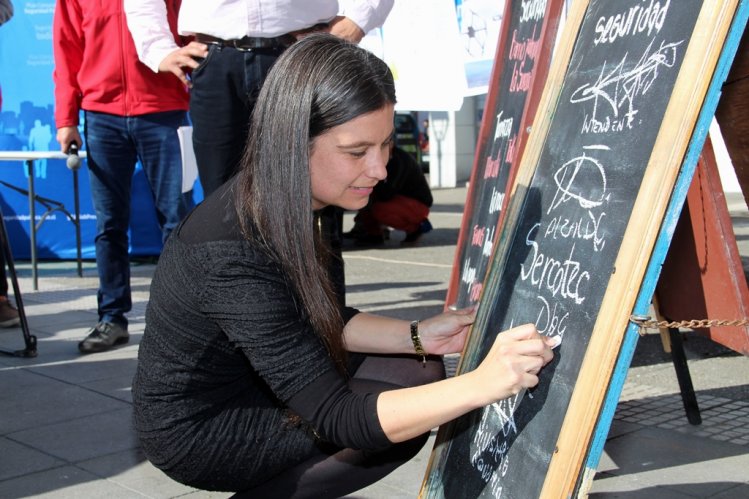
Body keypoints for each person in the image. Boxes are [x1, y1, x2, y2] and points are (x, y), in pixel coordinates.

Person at [133, 34, 556, 497]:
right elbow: (341, 418)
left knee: (417, 370)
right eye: (357, 152)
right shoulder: (231, 247)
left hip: (254, 380)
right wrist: (484, 383)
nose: (379, 169)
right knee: (402, 416)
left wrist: (416, 334)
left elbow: (314, 320)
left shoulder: (302, 202)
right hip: (202, 430)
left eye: (386, 146)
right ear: (294, 141)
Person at [53, 0, 192, 353]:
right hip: (101, 116)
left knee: (178, 222)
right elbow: (66, 47)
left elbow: (192, 27)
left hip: (164, 111)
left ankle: (180, 321)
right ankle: (112, 318)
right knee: (109, 225)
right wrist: (66, 118)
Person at [346, 143, 434, 246]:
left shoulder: (400, 160)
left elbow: (387, 193)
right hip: (399, 200)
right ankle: (372, 233)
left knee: (377, 207)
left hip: (416, 205)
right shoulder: (386, 157)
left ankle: (415, 229)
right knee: (366, 197)